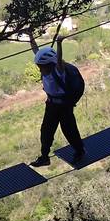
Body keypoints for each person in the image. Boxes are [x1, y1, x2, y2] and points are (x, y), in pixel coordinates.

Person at [29, 38, 85, 167]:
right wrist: (30, 36)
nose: (39, 69)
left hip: (64, 105)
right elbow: (36, 51)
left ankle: (80, 152)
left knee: (69, 130)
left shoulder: (59, 71)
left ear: (48, 64)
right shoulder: (46, 69)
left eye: (40, 66)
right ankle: (44, 157)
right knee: (46, 131)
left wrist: (59, 43)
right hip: (52, 105)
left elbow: (59, 59)